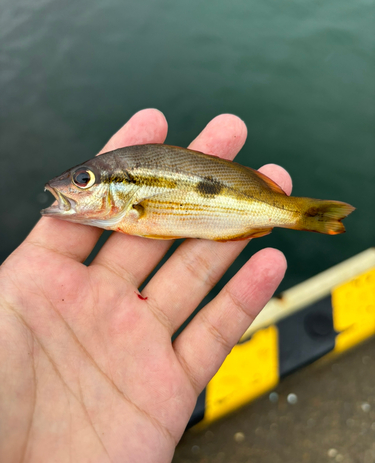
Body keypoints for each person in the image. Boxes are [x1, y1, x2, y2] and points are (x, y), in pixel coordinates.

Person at [0, 109, 292, 463]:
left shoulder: (133, 204)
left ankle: (296, 214)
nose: (67, 187)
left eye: (82, 180)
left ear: (121, 187)